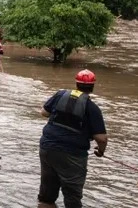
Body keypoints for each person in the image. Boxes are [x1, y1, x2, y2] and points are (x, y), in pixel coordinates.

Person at [38, 69, 108, 208]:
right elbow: (101, 139)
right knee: (72, 199)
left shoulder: (60, 94)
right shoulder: (92, 107)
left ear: (76, 84)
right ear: (92, 87)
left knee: (47, 196)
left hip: (47, 148)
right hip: (73, 156)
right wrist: (100, 151)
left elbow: (44, 112)